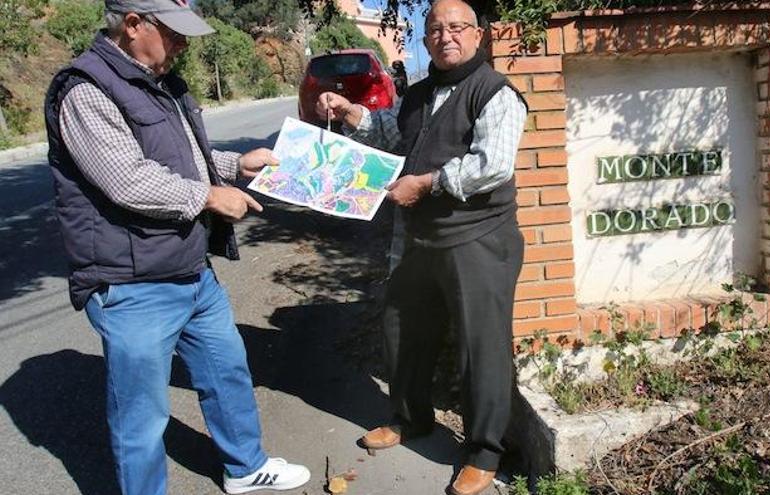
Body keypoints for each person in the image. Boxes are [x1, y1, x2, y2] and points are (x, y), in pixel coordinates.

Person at [43, 1, 310, 494]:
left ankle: (246, 468)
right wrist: (210, 196)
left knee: (227, 371)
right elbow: (127, 180)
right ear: (133, 25)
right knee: (141, 417)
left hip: (189, 270)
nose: (184, 44)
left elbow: (185, 157)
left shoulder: (161, 79)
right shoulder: (86, 89)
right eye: (174, 33)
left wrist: (233, 166)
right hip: (131, 284)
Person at [316, 0, 527, 493]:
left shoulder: (495, 93)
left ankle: (484, 451)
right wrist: (352, 113)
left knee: (481, 347)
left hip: (478, 236)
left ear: (478, 35)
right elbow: (394, 132)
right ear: (425, 39)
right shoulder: (420, 91)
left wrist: (427, 183)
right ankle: (411, 418)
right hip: (419, 238)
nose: (445, 35)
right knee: (402, 330)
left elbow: (493, 165)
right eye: (435, 29)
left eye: (457, 27)